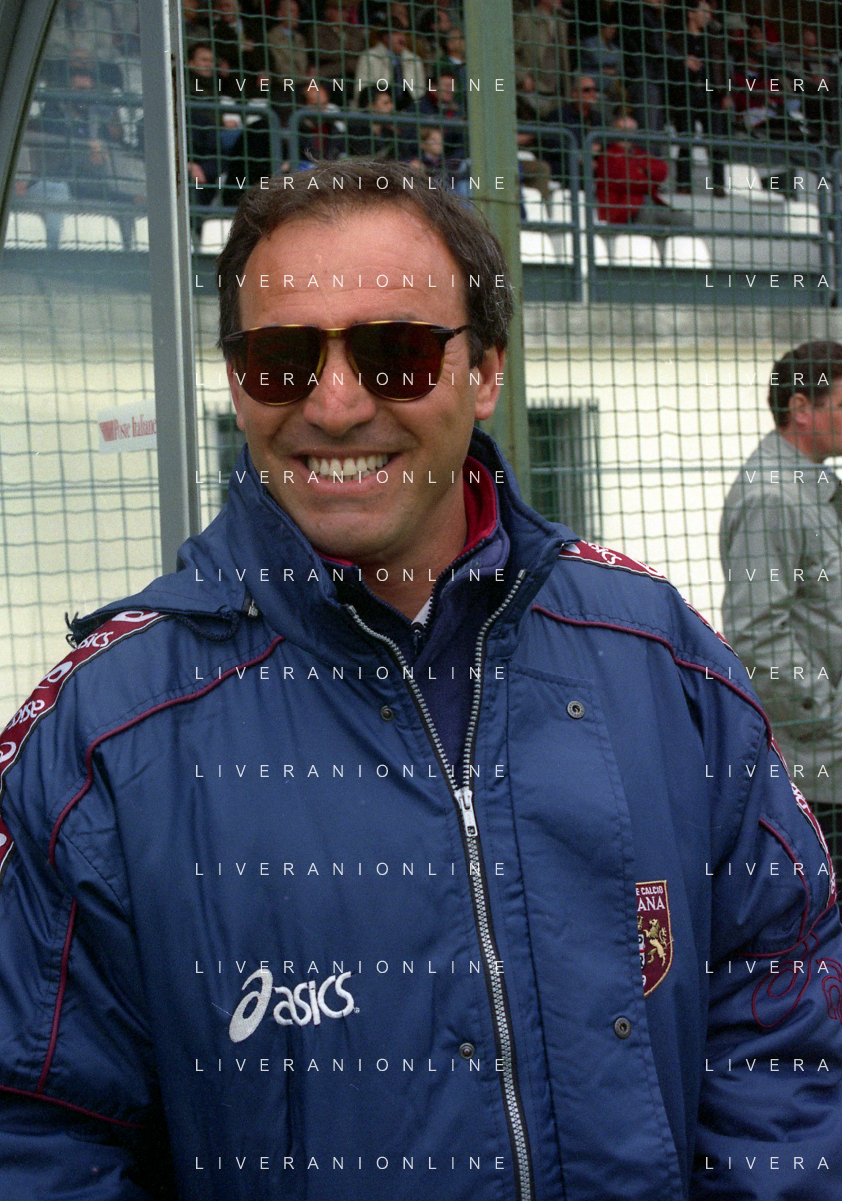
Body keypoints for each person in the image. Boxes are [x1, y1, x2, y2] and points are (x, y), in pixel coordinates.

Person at [0, 160, 840, 1200]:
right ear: (237, 380)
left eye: (394, 354)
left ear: (484, 372)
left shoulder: (654, 651)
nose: (334, 404)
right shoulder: (104, 733)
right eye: (281, 361)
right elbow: (36, 1131)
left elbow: (783, 997)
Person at [720, 340, 842, 894]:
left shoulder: (809, 485)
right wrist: (826, 714)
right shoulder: (773, 496)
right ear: (801, 408)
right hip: (817, 765)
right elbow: (756, 633)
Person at [667, 0, 728, 196]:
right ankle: (683, 183)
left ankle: (718, 184)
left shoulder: (713, 40)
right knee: (686, 139)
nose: (707, 16)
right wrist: (683, 63)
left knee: (716, 141)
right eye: (703, 12)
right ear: (691, 14)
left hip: (710, 94)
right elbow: (670, 67)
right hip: (686, 94)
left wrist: (725, 93)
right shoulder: (677, 40)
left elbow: (723, 67)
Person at [594, 114, 692, 229]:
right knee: (648, 218)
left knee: (685, 221)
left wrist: (641, 169)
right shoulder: (608, 155)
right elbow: (634, 182)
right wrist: (650, 179)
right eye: (623, 130)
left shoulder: (638, 152)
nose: (627, 134)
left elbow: (662, 170)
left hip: (647, 203)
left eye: (631, 130)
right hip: (624, 210)